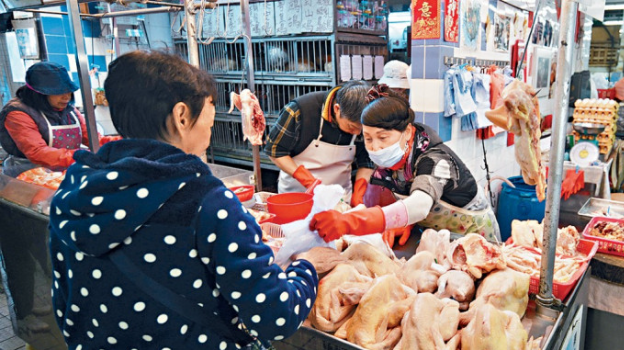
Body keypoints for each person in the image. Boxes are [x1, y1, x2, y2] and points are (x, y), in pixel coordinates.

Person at [48, 51, 319, 349]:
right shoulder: (205, 201)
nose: (210, 126)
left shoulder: (74, 189)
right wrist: (305, 268)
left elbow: (65, 305)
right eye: (210, 115)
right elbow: (276, 317)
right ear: (181, 116)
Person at [309, 85, 500, 246]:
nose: (376, 147)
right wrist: (403, 221)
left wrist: (350, 222)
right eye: (368, 139)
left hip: (473, 238)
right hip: (435, 238)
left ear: (407, 131)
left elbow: (420, 204)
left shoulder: (435, 159)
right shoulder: (396, 158)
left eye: (383, 138)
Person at [264, 81, 374, 205]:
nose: (358, 132)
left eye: (362, 129)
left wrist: (359, 192)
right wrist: (308, 181)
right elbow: (274, 150)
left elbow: (366, 162)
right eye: (352, 126)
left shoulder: (365, 123)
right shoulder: (300, 110)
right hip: (297, 196)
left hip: (340, 200)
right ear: (337, 109)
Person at [0, 62, 115, 177]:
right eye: (59, 92)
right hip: (29, 178)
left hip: (63, 173)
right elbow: (37, 153)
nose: (67, 97)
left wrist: (123, 143)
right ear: (39, 93)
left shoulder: (70, 111)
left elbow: (94, 139)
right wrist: (83, 157)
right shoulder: (17, 113)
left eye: (68, 91)